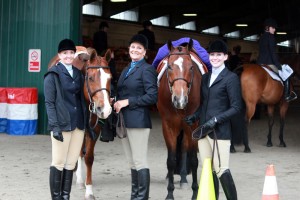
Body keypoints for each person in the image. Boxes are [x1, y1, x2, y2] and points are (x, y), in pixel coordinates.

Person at [185, 39, 242, 200]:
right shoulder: (205, 77)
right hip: (203, 130)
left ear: (225, 57)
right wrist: (195, 116)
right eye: (212, 55)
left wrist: (216, 120)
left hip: (220, 132)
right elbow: (204, 104)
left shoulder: (231, 78)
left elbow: (236, 107)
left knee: (221, 168)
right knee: (207, 169)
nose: (215, 58)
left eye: (218, 55)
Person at [113, 34, 158, 200]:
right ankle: (135, 196)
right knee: (131, 162)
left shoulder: (147, 69)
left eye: (139, 48)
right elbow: (123, 93)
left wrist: (127, 102)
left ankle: (142, 197)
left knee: (140, 161)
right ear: (128, 49)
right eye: (133, 47)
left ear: (145, 52)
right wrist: (115, 100)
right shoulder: (126, 69)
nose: (135, 50)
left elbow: (152, 96)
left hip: (138, 121)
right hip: (124, 120)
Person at [44, 39, 86, 200]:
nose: (68, 56)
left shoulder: (78, 73)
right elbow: (49, 102)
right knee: (58, 162)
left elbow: (81, 99)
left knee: (71, 163)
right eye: (64, 53)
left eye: (71, 53)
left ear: (74, 54)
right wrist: (54, 126)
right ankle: (56, 197)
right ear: (59, 55)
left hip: (78, 124)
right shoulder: (52, 74)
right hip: (61, 124)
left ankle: (65, 196)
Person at [257, 18, 297, 102]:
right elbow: (272, 53)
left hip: (260, 63)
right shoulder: (270, 37)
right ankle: (286, 96)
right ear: (268, 28)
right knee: (286, 75)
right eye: (273, 28)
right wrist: (278, 65)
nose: (274, 30)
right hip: (269, 63)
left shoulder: (261, 37)